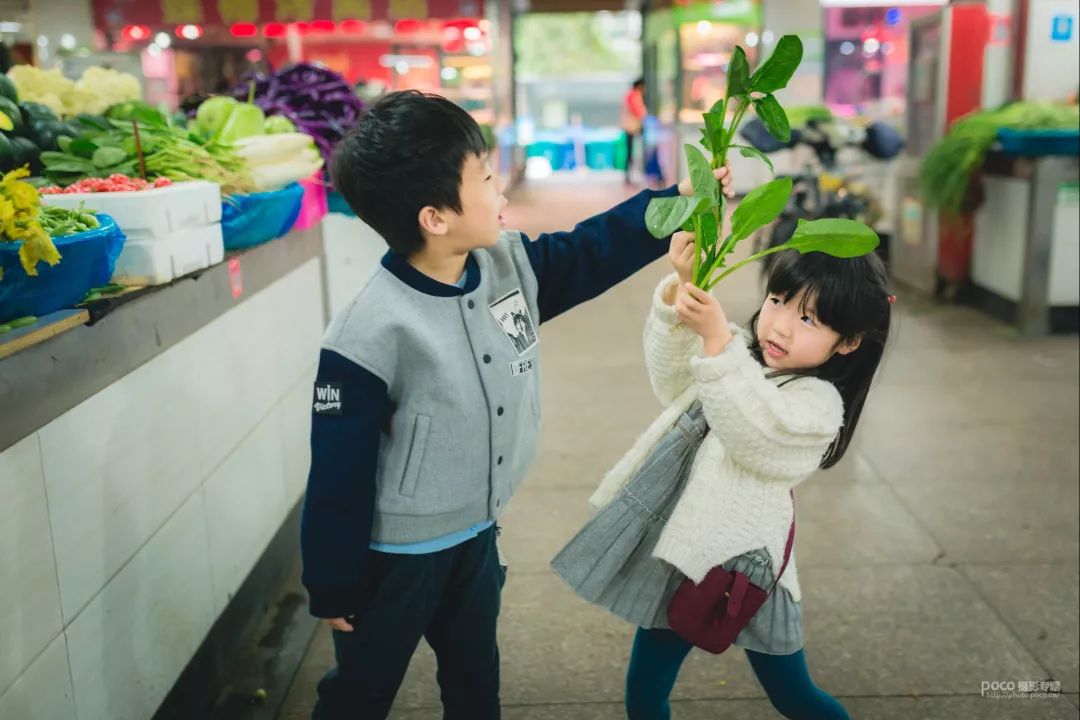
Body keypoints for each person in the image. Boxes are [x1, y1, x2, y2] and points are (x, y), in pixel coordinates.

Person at [300, 89, 735, 720]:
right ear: (435, 218)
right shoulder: (371, 332)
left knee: (477, 683)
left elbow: (591, 249)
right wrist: (332, 580)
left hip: (475, 537)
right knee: (361, 693)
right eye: (485, 179)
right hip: (394, 561)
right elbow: (337, 469)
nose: (501, 190)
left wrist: (680, 205)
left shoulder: (506, 266)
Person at [552, 232, 894, 720]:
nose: (780, 325)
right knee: (646, 683)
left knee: (793, 694)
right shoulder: (739, 353)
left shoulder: (818, 405)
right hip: (684, 549)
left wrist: (717, 344)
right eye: (778, 300)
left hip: (745, 568)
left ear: (850, 342)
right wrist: (683, 293)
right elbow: (674, 380)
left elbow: (755, 433)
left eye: (809, 319)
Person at [621, 77, 647, 184]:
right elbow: (638, 111)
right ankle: (628, 175)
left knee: (630, 151)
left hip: (630, 127)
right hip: (632, 127)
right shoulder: (634, 95)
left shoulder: (630, 94)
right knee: (630, 151)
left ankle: (629, 175)